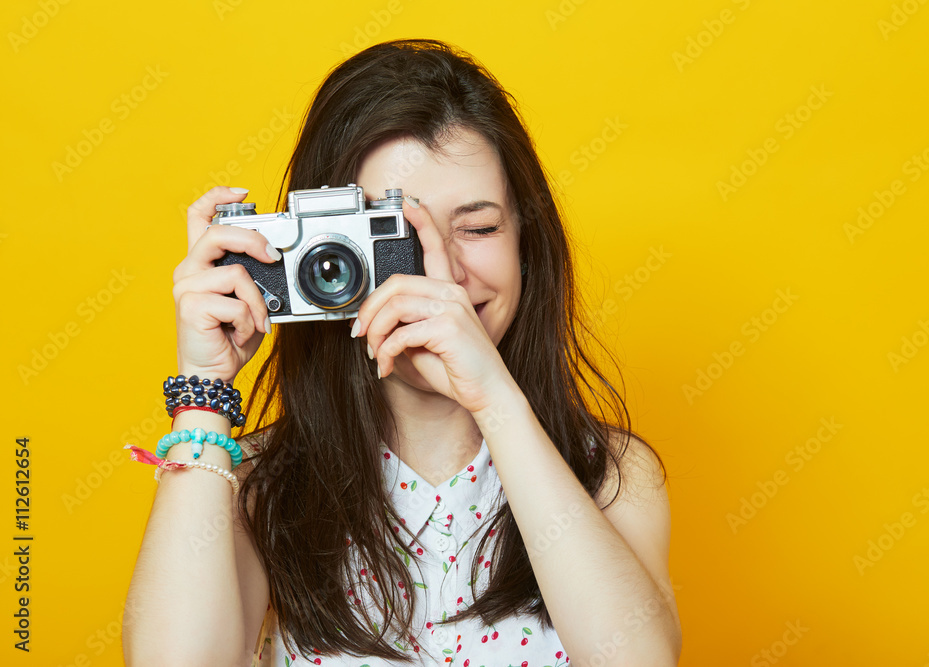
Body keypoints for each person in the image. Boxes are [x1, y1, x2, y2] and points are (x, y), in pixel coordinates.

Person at [122, 39, 681, 667]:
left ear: (527, 243)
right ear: (321, 256)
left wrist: (493, 398)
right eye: (392, 234)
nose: (442, 276)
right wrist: (204, 391)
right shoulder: (258, 488)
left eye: (477, 227)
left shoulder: (610, 474)